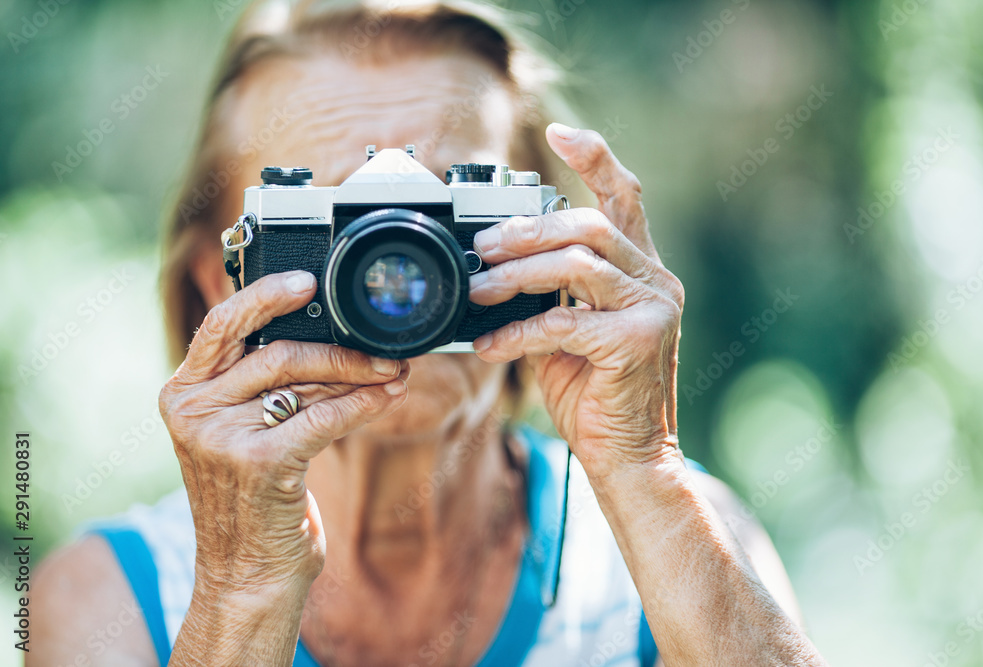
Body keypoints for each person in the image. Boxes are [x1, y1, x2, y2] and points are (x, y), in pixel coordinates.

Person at [32, 1, 828, 665]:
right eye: (340, 214)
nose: (400, 267)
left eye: (452, 209)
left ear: (548, 244)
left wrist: (643, 469)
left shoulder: (680, 546)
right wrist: (242, 594)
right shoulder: (108, 598)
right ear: (222, 278)